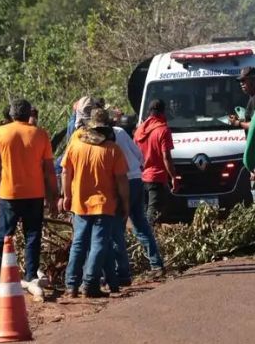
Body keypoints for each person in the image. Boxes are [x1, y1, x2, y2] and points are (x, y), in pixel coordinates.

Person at [0, 98, 57, 295]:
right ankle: (31, 276)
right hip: (35, 193)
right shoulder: (41, 134)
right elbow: (49, 170)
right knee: (32, 235)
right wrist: (54, 195)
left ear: (12, 114)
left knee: (3, 236)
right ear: (28, 114)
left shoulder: (0, 133)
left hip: (9, 193)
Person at [62, 108, 129, 298]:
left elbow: (66, 172)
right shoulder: (113, 150)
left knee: (79, 243)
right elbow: (122, 180)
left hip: (80, 203)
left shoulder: (75, 146)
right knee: (99, 243)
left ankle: (71, 284)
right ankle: (90, 283)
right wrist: (126, 203)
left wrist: (66, 196)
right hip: (104, 204)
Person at [110, 109, 165, 282]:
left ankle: (123, 273)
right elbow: (140, 155)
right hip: (136, 179)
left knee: (117, 228)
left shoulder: (104, 139)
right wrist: (137, 170)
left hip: (123, 182)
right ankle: (156, 264)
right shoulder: (120, 132)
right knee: (140, 223)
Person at [135, 99, 180, 224]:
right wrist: (174, 177)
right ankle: (146, 241)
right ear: (163, 112)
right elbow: (166, 157)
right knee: (152, 215)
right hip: (156, 177)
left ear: (149, 112)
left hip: (142, 177)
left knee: (147, 212)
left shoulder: (139, 130)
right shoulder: (163, 130)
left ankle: (146, 239)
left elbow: (134, 153)